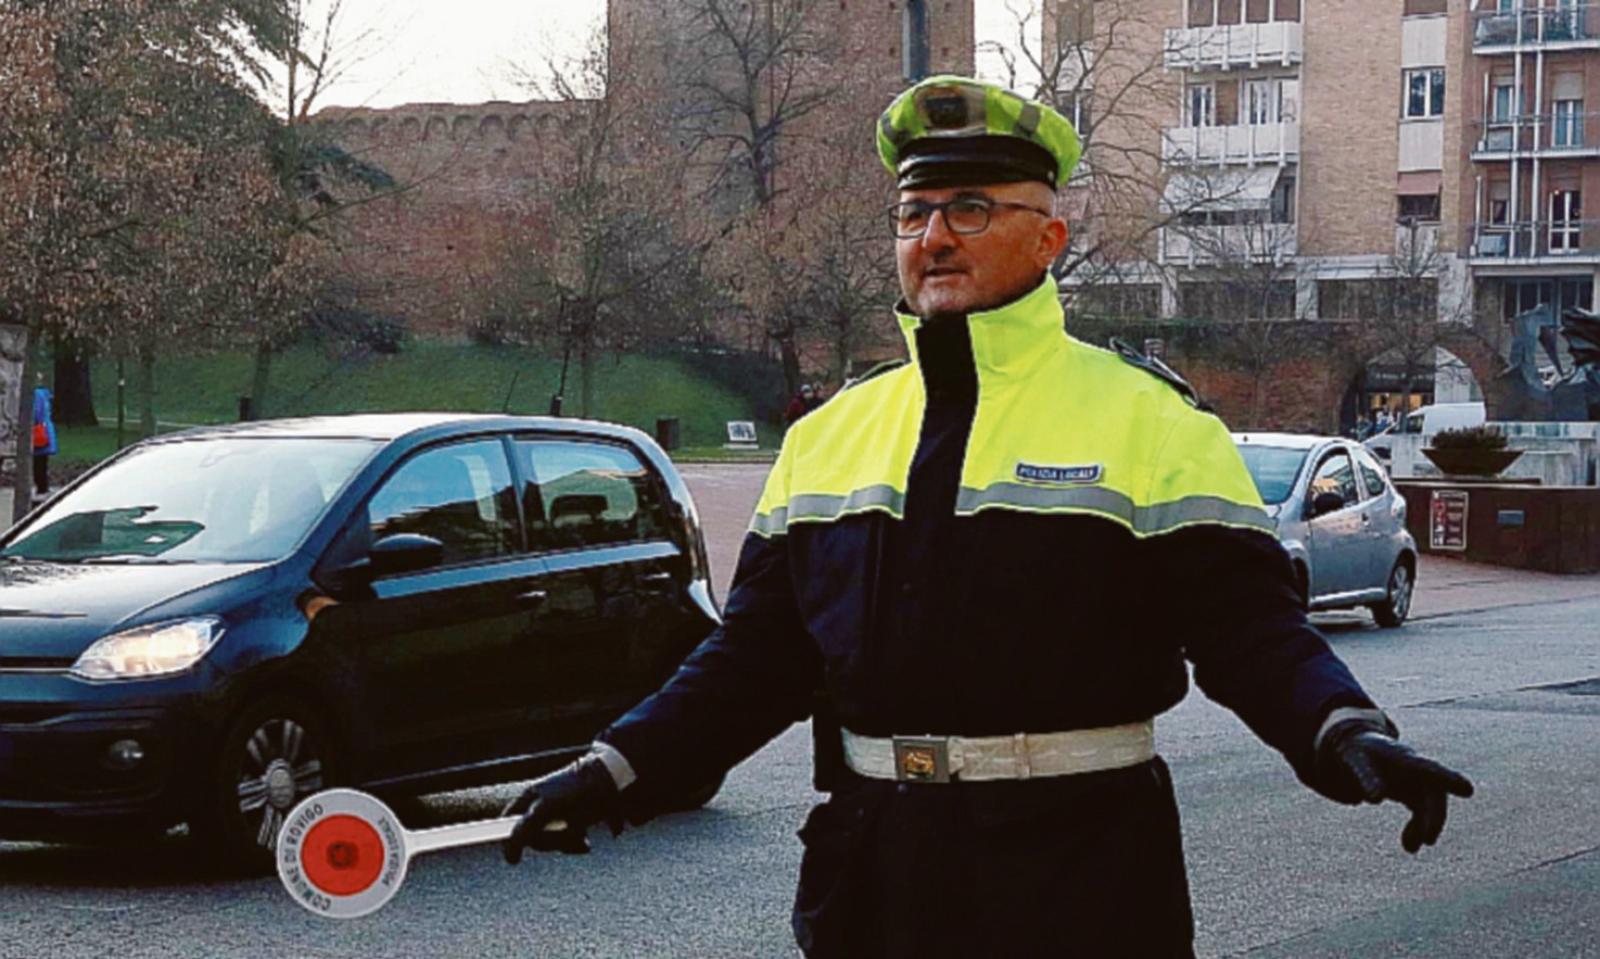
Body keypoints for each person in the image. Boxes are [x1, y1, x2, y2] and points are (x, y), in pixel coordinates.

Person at [501, 75, 1473, 957]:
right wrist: (616, 766)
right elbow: (757, 657)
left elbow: (1246, 628)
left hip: (1080, 877)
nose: (933, 237)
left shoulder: (1150, 420)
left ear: (1048, 237)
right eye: (913, 210)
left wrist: (1344, 729)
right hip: (873, 875)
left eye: (970, 208)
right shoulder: (827, 434)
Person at [31, 374, 57, 503]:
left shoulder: (35, 395)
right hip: (45, 432)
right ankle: (43, 487)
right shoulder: (44, 395)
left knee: (38, 463)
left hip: (38, 433)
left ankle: (41, 488)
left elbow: (35, 414)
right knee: (41, 463)